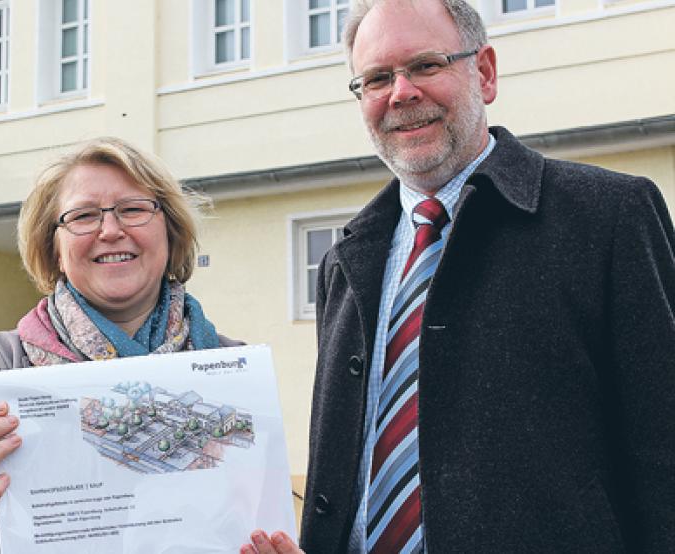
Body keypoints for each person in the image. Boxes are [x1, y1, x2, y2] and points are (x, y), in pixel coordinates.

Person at [246, 0, 675, 552]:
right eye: (377, 78)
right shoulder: (343, 262)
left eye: (426, 65)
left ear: (485, 73)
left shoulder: (609, 217)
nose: (401, 92)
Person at [0, 137, 240, 553]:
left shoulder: (227, 364)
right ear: (54, 249)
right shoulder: (4, 363)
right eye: (83, 216)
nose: (111, 231)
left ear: (170, 232)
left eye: (133, 209)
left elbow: (252, 511)